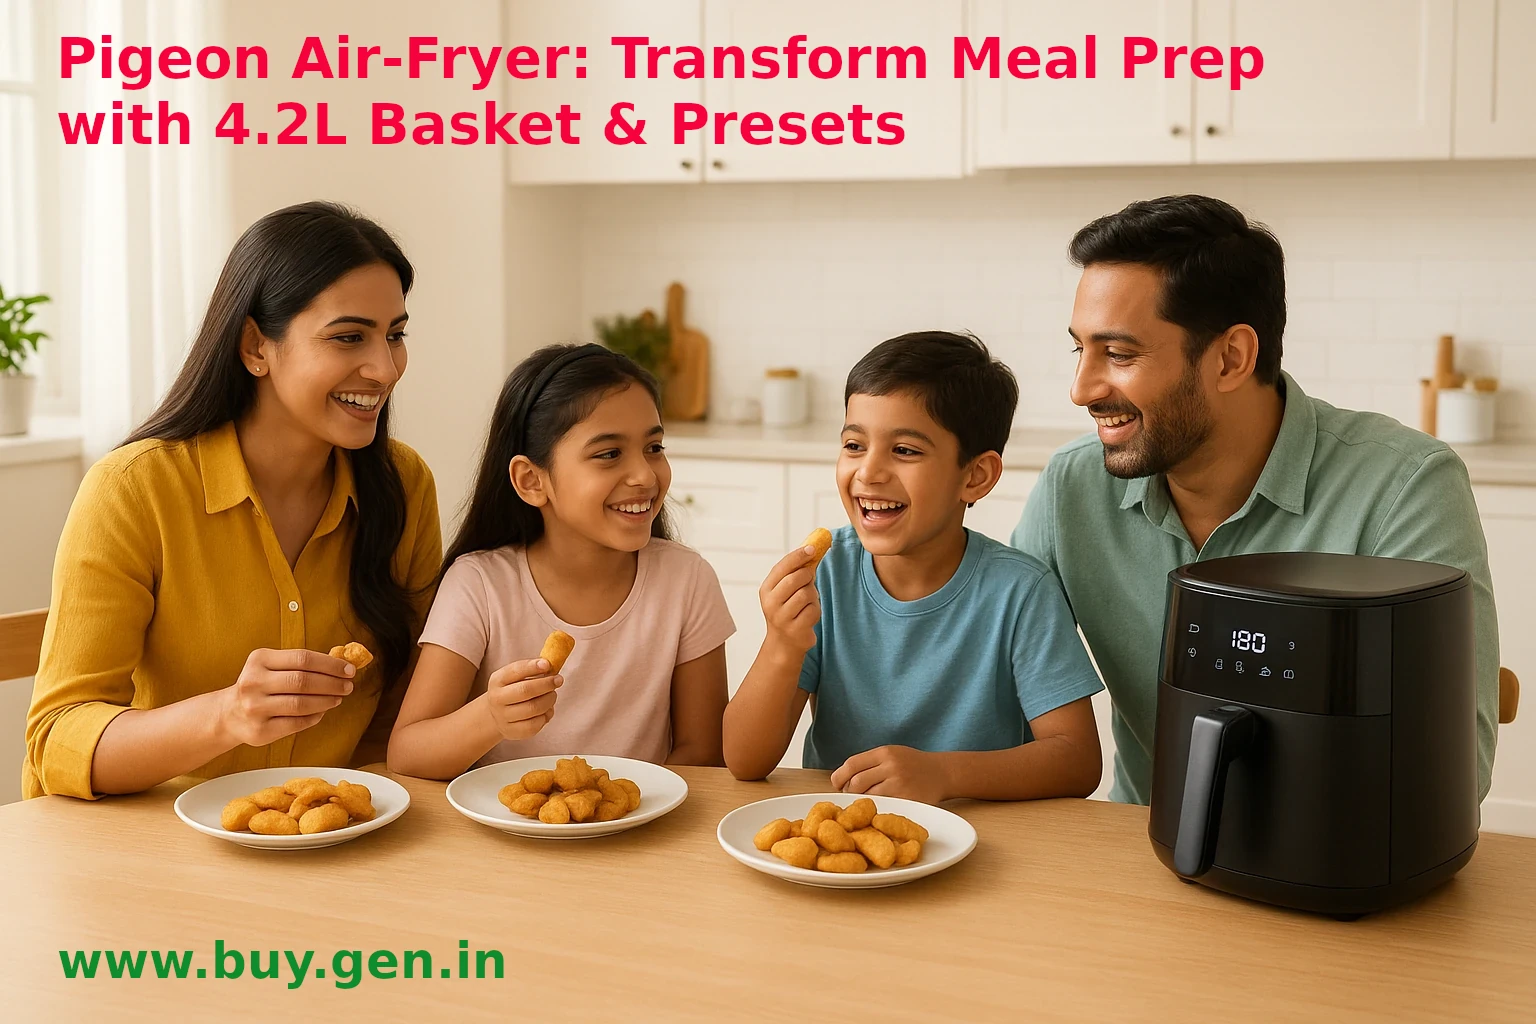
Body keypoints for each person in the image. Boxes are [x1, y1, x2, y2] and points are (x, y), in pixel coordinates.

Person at [1013, 194, 1499, 805]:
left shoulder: (1405, 487)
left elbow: (1451, 776)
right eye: (1079, 349)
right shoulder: (1072, 487)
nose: (1081, 389)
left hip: (1331, 871)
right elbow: (990, 676)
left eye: (1119, 354)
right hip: (1138, 857)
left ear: (1231, 357)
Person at [24, 202, 442, 799]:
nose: (385, 368)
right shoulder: (135, 490)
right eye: (349, 337)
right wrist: (226, 716)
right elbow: (57, 739)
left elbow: (403, 712)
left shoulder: (403, 485)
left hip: (342, 841)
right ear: (255, 346)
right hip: (148, 852)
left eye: (395, 335)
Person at [724, 332, 1104, 803]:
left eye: (904, 450)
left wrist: (943, 775)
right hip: (842, 838)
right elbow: (743, 761)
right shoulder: (827, 576)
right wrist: (782, 644)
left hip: (983, 843)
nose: (869, 472)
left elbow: (1077, 759)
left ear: (975, 476)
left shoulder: (1022, 593)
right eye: (854, 445)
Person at [386, 344, 734, 779]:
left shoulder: (686, 580)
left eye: (654, 447)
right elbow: (407, 752)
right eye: (609, 454)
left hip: (639, 834)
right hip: (504, 834)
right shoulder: (478, 584)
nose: (645, 476)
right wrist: (490, 718)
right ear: (531, 481)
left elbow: (703, 752)